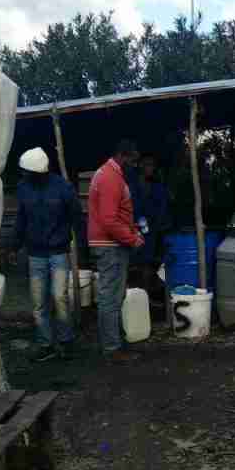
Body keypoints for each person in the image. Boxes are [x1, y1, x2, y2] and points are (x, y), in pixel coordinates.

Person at [12, 147, 81, 362]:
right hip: (35, 253)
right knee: (38, 302)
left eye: (26, 171)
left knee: (59, 297)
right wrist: (13, 247)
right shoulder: (23, 188)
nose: (23, 174)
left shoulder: (63, 188)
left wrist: (83, 250)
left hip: (58, 251)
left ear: (36, 172)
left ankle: (66, 341)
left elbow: (77, 218)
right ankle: (46, 344)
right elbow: (21, 219)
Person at [88, 139, 144, 362]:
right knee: (110, 297)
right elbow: (109, 220)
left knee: (113, 295)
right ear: (124, 155)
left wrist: (132, 229)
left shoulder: (107, 174)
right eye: (133, 159)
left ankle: (112, 342)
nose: (134, 164)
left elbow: (114, 216)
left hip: (109, 244)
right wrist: (132, 239)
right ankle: (112, 348)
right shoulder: (111, 177)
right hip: (110, 246)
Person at [129, 154, 171, 294]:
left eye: (152, 165)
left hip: (152, 231)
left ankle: (145, 294)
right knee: (133, 262)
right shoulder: (132, 186)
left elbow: (162, 209)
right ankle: (134, 294)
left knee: (148, 262)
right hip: (133, 229)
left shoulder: (158, 187)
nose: (150, 168)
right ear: (140, 166)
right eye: (147, 165)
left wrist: (157, 225)